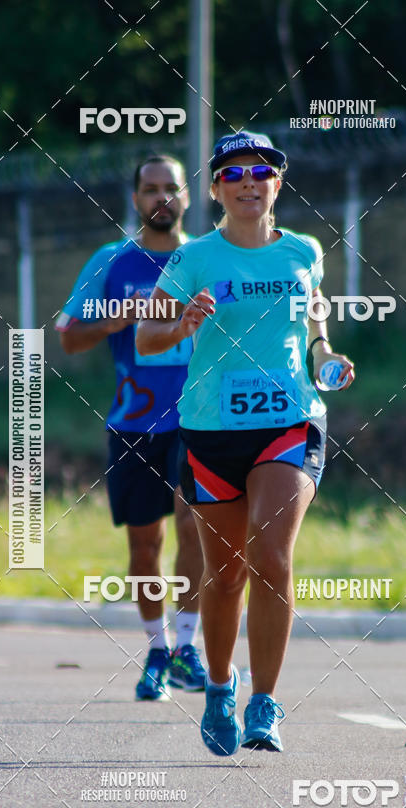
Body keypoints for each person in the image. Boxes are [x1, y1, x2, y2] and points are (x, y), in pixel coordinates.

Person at [135, 131, 355, 754]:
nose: (248, 181)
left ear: (277, 185)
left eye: (261, 171)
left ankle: (265, 702)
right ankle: (219, 686)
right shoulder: (196, 258)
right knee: (224, 573)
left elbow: (313, 317)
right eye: (234, 174)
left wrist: (324, 354)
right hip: (209, 430)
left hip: (290, 419)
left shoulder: (305, 251)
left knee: (272, 558)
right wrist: (183, 322)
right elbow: (147, 340)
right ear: (215, 190)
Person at [56, 154, 205, 701]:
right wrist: (122, 317)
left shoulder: (207, 256)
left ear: (188, 198)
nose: (161, 197)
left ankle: (188, 645)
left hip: (201, 419)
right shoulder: (112, 261)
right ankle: (157, 650)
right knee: (147, 548)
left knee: (194, 530)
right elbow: (69, 338)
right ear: (135, 198)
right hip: (134, 423)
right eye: (150, 189)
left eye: (171, 188)